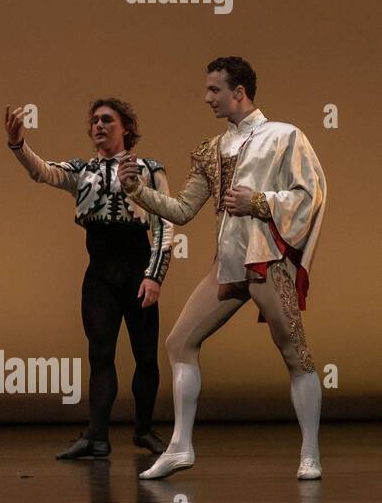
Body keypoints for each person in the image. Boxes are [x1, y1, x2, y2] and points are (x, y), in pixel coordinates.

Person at [118, 57, 327, 480]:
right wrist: (137, 190)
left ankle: (310, 452)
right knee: (179, 343)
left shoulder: (284, 136)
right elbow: (180, 209)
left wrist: (261, 201)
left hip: (266, 261)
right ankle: (180, 446)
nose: (207, 97)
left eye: (215, 89)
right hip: (227, 264)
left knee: (295, 354)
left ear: (240, 92)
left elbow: (311, 193)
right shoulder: (212, 150)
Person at [6, 99, 173, 459]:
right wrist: (19, 145)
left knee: (146, 357)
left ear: (126, 127)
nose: (98, 125)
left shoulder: (149, 169)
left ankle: (143, 430)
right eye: (94, 120)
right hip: (99, 275)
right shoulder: (83, 170)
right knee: (100, 356)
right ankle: (97, 435)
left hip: (136, 271)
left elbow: (163, 225)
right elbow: (44, 171)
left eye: (107, 120)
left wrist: (154, 276)